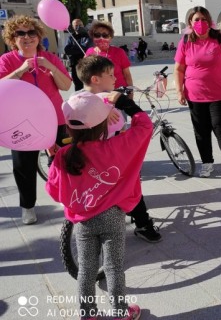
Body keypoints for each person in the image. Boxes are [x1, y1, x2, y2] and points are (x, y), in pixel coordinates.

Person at [46, 91, 148, 320]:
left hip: (82, 221)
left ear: (69, 128)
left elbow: (54, 190)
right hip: (112, 216)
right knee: (114, 267)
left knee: (86, 269)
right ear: (103, 126)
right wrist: (124, 103)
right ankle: (122, 312)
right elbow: (144, 126)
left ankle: (88, 314)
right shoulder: (115, 147)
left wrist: (54, 160)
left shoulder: (63, 155)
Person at [76, 55, 162, 242]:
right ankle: (143, 224)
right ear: (95, 79)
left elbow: (120, 126)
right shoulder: (95, 102)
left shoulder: (88, 99)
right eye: (110, 74)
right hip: (105, 159)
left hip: (99, 158)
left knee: (127, 188)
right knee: (130, 186)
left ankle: (141, 222)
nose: (115, 78)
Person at [0, 15, 72, 225]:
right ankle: (28, 206)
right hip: (21, 122)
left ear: (39, 36)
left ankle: (65, 196)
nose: (27, 37)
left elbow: (66, 86)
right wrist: (20, 70)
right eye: (20, 33)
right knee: (24, 165)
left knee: (63, 161)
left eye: (31, 32)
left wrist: (50, 67)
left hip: (55, 118)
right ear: (13, 38)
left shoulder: (50, 58)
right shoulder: (7, 60)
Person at [174, 6, 221, 183]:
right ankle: (207, 163)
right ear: (190, 22)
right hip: (194, 94)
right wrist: (179, 90)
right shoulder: (185, 41)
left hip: (220, 93)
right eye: (196, 19)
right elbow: (179, 68)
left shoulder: (219, 38)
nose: (200, 23)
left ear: (210, 21)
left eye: (204, 19)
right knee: (201, 131)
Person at [85, 21, 133, 92]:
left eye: (105, 35)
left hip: (119, 93)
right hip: (98, 94)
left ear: (110, 37)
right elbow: (86, 75)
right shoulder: (89, 52)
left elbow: (127, 75)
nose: (101, 38)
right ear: (93, 37)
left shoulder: (119, 52)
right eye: (97, 35)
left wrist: (130, 93)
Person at [64, 18, 93, 91]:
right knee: (77, 85)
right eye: (76, 25)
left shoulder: (87, 36)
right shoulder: (71, 37)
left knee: (88, 83)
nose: (78, 27)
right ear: (73, 27)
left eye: (80, 25)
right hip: (75, 64)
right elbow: (67, 50)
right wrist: (79, 48)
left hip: (86, 64)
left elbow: (85, 48)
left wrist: (74, 48)